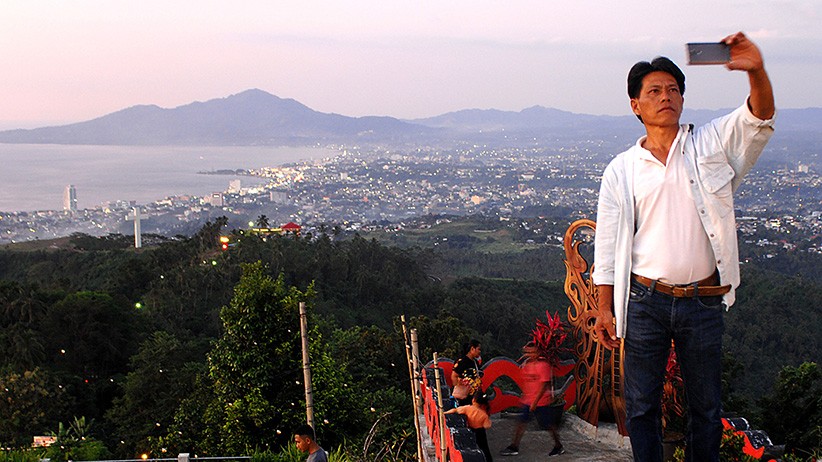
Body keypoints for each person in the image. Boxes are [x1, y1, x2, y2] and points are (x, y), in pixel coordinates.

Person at [591, 31, 775, 462]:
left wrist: (757, 71)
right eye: (653, 90)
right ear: (635, 105)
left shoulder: (709, 144)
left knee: (706, 408)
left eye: (673, 89)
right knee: (640, 406)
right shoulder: (621, 170)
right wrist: (604, 307)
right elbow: (607, 243)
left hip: (703, 301)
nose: (665, 96)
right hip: (644, 301)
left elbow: (759, 118)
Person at [501, 342, 564, 457]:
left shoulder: (543, 365)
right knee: (521, 423)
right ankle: (514, 446)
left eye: (532, 352)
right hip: (528, 400)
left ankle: (558, 446)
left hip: (540, 401)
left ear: (538, 352)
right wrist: (525, 397)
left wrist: (535, 401)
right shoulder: (527, 365)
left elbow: (544, 385)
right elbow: (526, 382)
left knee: (549, 425)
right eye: (527, 352)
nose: (529, 354)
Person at [445, 392, 494, 462]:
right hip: (480, 432)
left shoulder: (467, 408)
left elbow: (455, 410)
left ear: (473, 400)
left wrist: (444, 413)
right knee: (484, 448)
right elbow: (487, 426)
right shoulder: (484, 414)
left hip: (469, 430)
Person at [451, 339, 483, 406]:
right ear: (472, 349)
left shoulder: (475, 362)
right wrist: (459, 386)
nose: (480, 352)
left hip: (473, 397)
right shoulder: (462, 361)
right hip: (462, 398)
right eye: (478, 349)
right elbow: (454, 376)